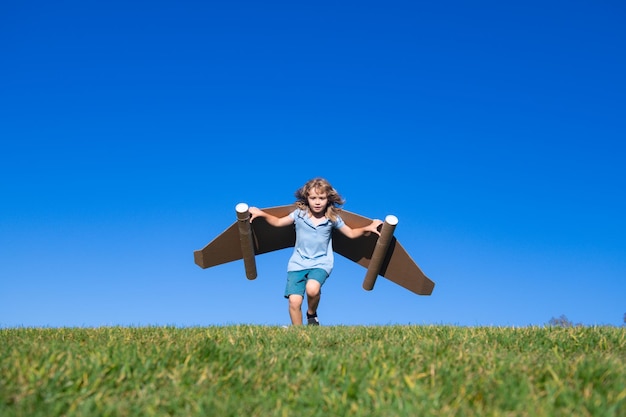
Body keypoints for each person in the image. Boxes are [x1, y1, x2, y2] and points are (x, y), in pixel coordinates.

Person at [249, 178, 382, 326]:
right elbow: (279, 222)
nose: (317, 202)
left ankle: (311, 314)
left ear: (328, 199)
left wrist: (368, 228)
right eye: (313, 198)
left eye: (321, 198)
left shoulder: (332, 219)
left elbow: (350, 233)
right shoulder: (299, 214)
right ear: (307, 198)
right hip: (297, 263)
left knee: (312, 289)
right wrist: (261, 214)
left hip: (321, 262)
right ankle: (299, 334)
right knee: (294, 301)